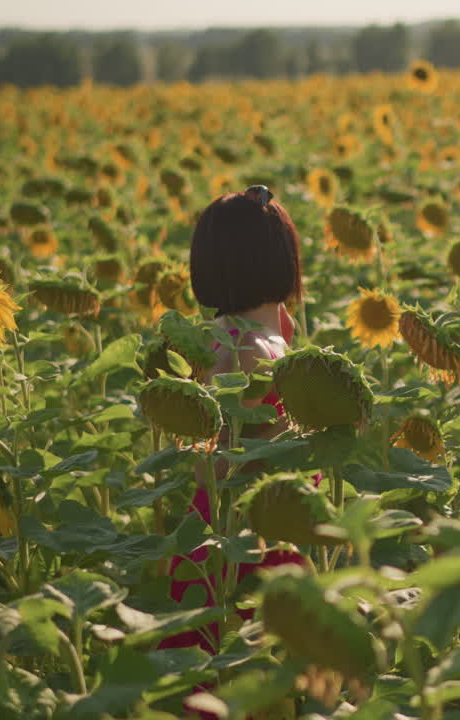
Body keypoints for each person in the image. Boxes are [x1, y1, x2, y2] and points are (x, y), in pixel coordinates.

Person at [158, 186, 307, 659]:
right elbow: (216, 463)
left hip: (253, 527)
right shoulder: (243, 348)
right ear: (283, 259)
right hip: (244, 540)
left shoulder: (260, 333)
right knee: (244, 673)